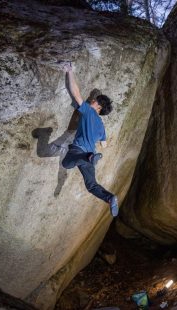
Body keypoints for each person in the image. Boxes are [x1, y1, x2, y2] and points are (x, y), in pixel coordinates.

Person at [62, 63, 118, 217]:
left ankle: (87, 158)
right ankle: (110, 197)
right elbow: (104, 145)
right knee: (92, 185)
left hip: (79, 150)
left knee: (66, 163)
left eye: (94, 100)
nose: (91, 100)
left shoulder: (88, 111)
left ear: (98, 106)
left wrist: (69, 71)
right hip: (90, 153)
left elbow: (76, 93)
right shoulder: (101, 125)